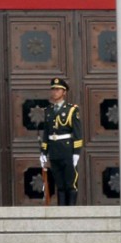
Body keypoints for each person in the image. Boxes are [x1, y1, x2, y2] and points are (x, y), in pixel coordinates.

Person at [38, 77, 83, 206]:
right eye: (53, 89)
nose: (54, 92)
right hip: (54, 150)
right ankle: (61, 210)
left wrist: (76, 153)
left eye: (58, 89)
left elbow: (77, 133)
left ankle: (71, 211)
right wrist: (43, 152)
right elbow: (46, 133)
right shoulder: (48, 111)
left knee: (70, 182)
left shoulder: (72, 109)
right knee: (59, 183)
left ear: (64, 92)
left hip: (67, 149)